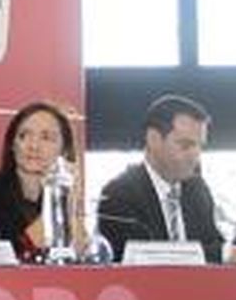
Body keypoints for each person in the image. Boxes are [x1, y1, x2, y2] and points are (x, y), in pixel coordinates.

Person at [97, 94, 229, 263]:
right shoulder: (119, 194)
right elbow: (147, 257)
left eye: (200, 146)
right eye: (185, 145)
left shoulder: (197, 189)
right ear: (154, 139)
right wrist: (220, 253)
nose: (196, 155)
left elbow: (216, 244)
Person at [0, 101, 79, 259]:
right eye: (24, 136)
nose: (34, 146)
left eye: (46, 138)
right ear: (12, 145)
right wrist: (53, 213)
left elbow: (82, 253)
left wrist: (65, 196)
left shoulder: (65, 194)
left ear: (64, 150)